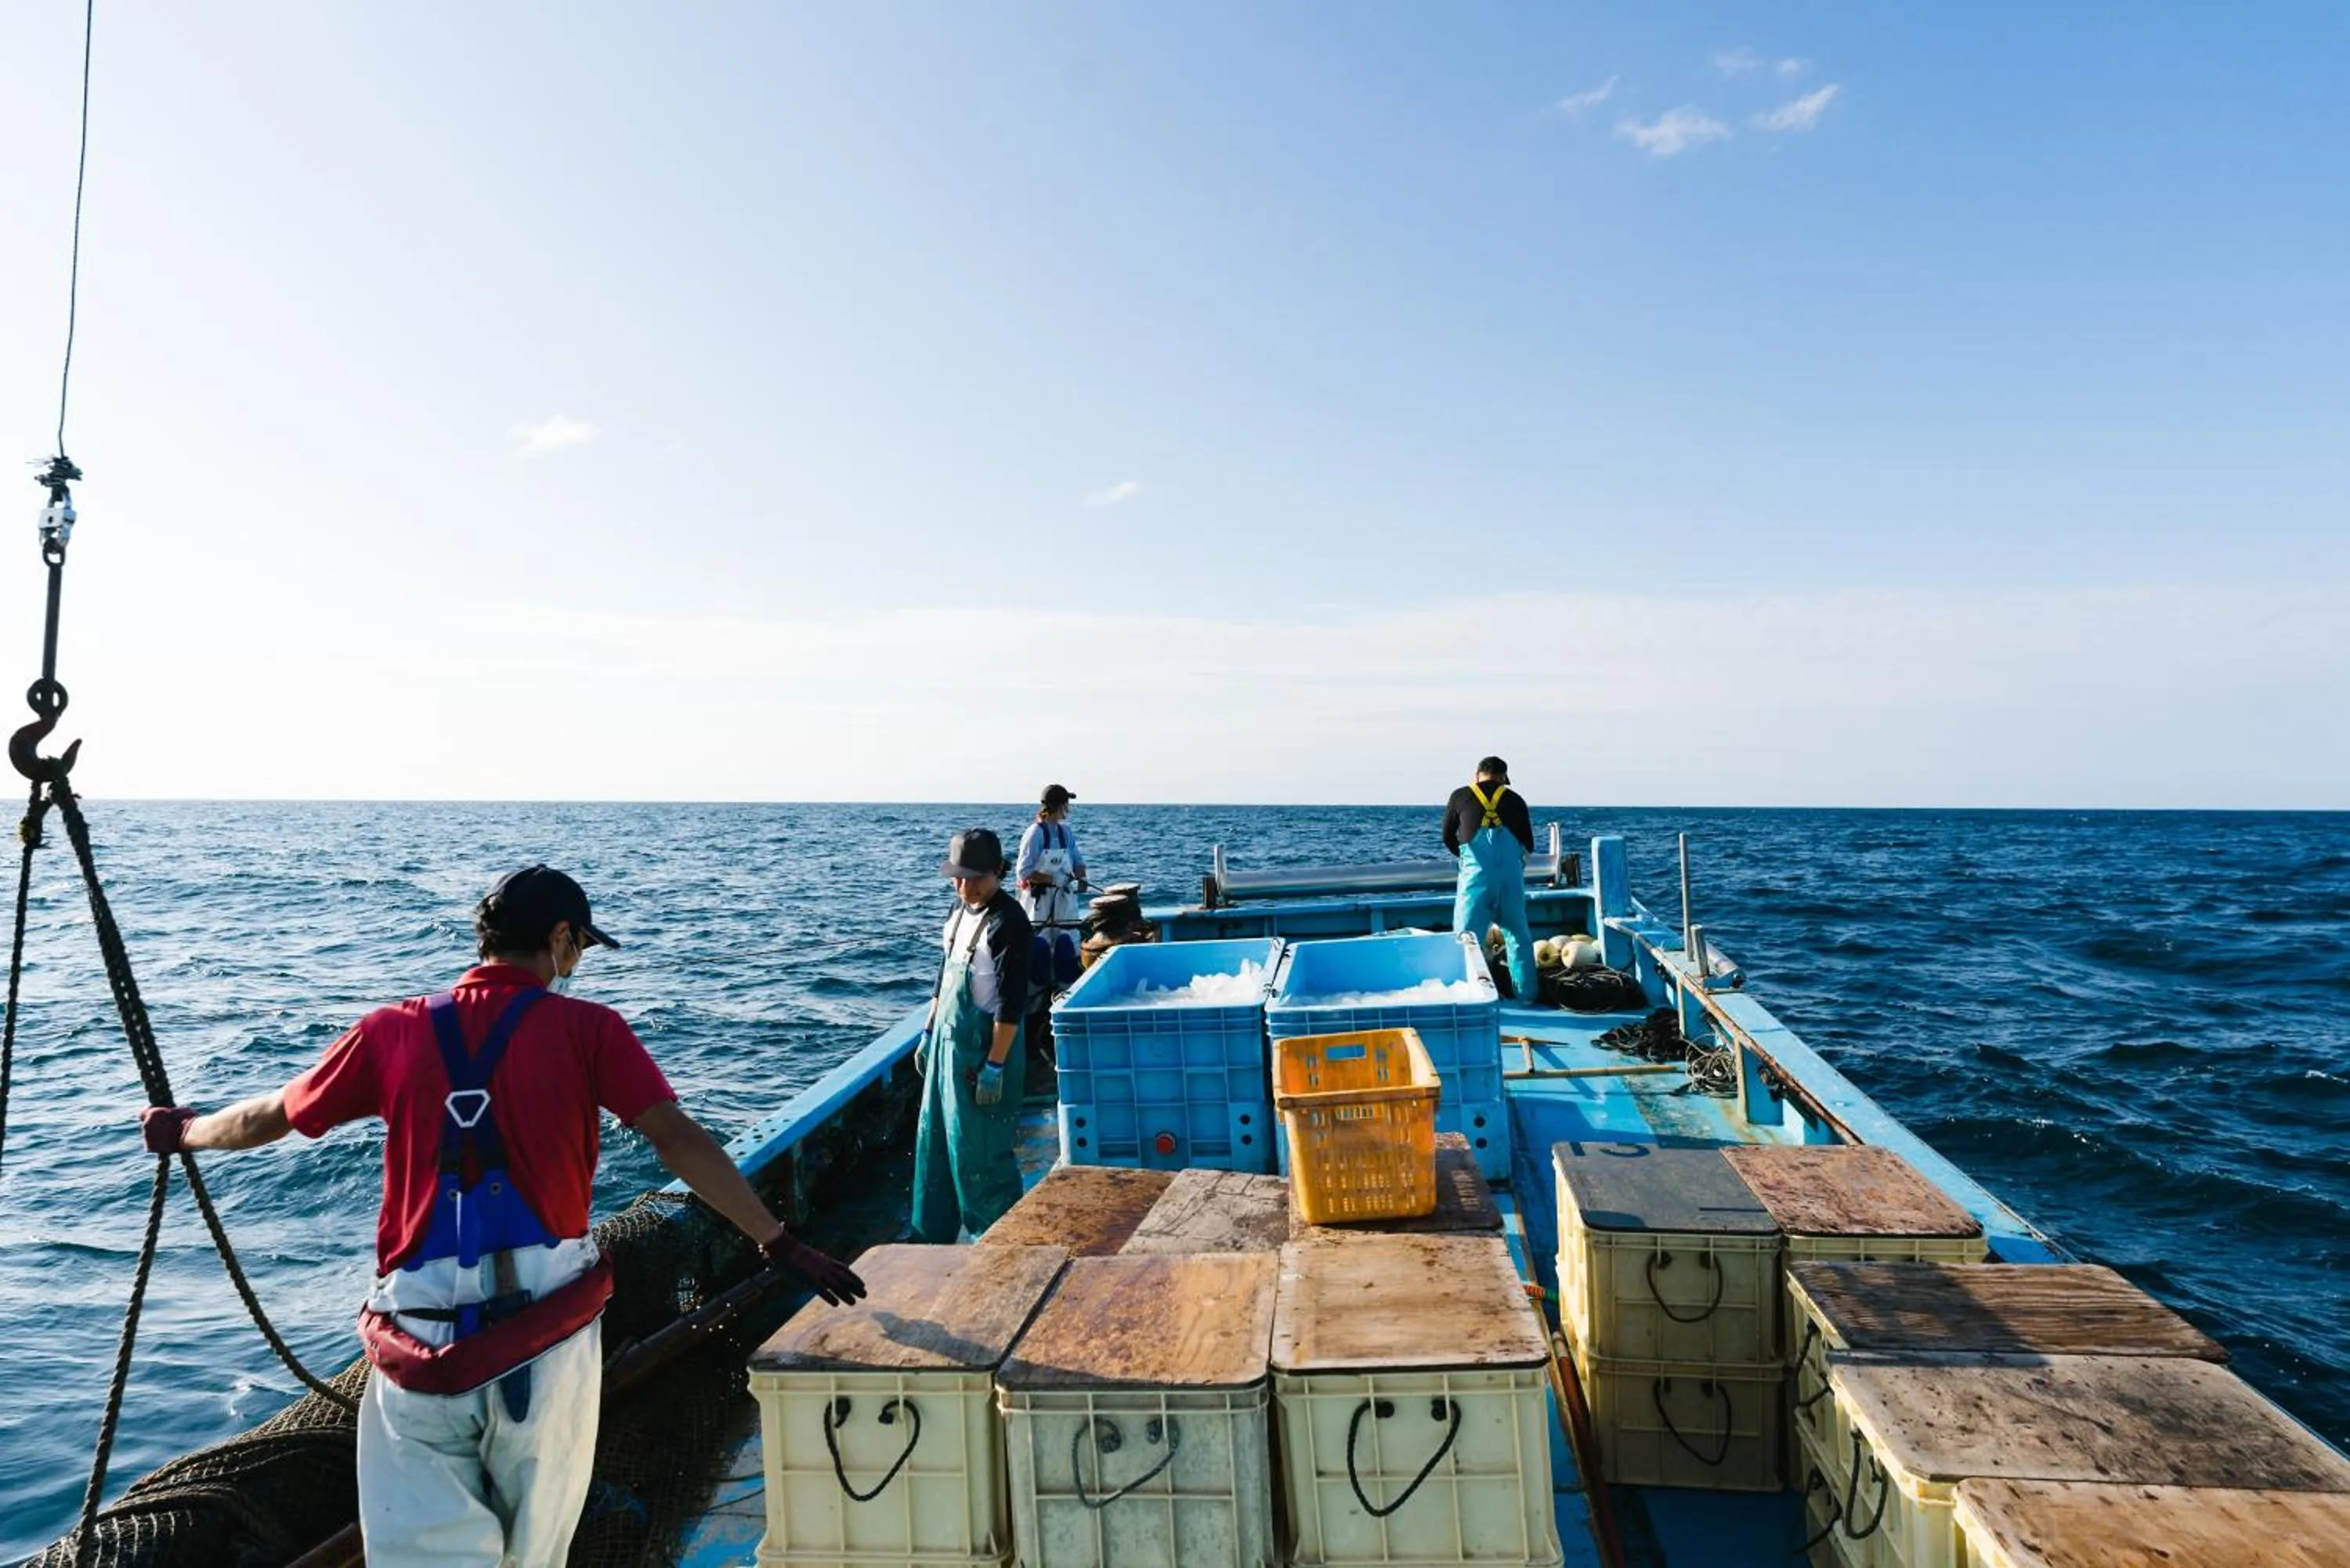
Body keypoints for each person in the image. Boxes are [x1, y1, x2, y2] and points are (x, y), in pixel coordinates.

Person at [136, 865, 865, 1568]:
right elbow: (675, 1137)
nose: (577, 959)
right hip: (545, 1342)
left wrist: (184, 1131)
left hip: (417, 1339)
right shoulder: (591, 1032)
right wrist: (776, 1240)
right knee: (536, 1548)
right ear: (558, 939)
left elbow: (272, 1115)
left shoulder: (391, 1031)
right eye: (579, 944)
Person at [913, 829, 1031, 1244]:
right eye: (959, 878)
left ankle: (998, 1242)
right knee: (937, 1146)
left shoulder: (1009, 922)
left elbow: (1011, 1005)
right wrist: (928, 1031)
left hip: (984, 1053)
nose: (967, 887)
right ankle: (930, 1237)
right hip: (946, 1049)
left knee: (979, 1157)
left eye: (976, 877)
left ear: (998, 870)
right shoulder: (959, 911)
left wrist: (995, 1065)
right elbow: (941, 979)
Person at [1444, 756, 1538, 1001]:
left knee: (1467, 939)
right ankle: (1526, 997)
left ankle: (1470, 997)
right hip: (1510, 881)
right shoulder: (1516, 800)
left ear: (1477, 775)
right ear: (1504, 778)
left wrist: (1466, 859)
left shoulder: (1460, 796)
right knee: (1518, 937)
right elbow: (1529, 844)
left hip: (1475, 881)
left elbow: (1447, 836)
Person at [1015, 783, 1088, 991]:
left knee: (1068, 941)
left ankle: (1065, 990)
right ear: (1061, 806)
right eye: (1067, 804)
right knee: (1040, 946)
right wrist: (1051, 880)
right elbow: (1024, 871)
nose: (1069, 808)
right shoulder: (1035, 834)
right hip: (1039, 902)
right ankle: (1038, 997)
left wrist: (1082, 876)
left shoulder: (1066, 832)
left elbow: (1076, 859)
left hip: (1064, 899)